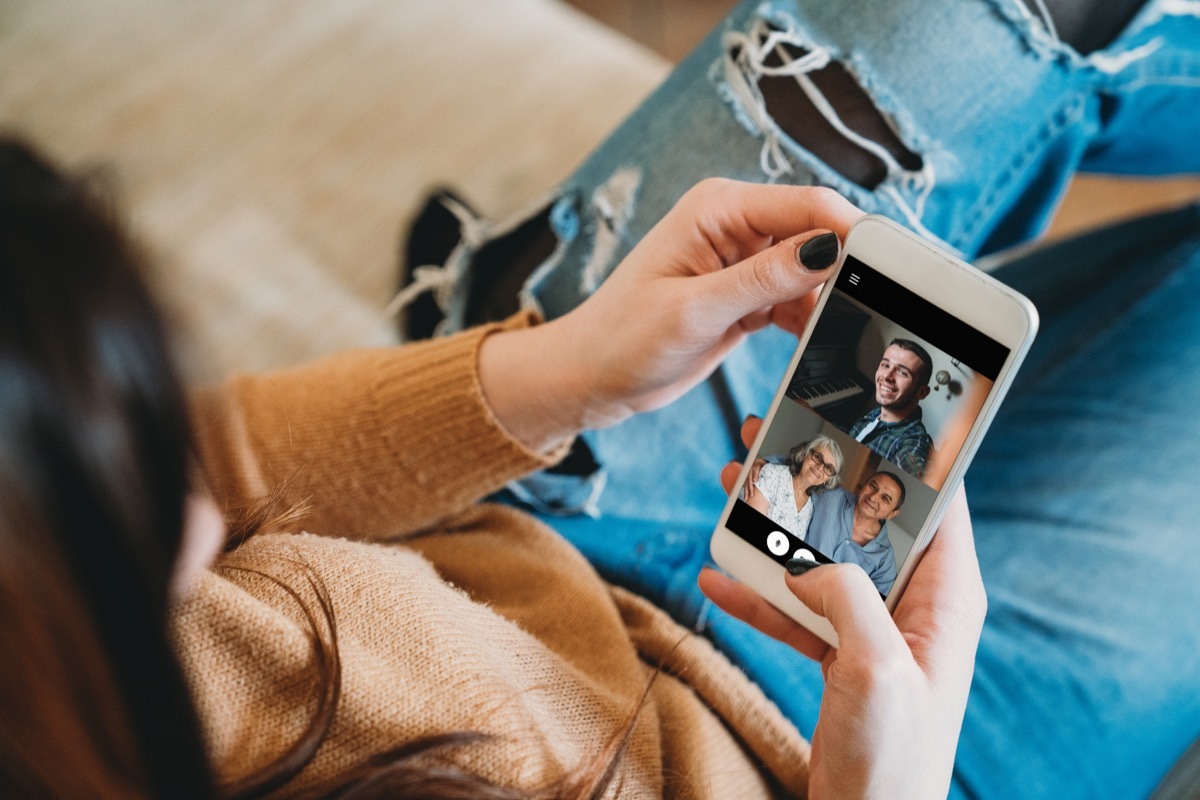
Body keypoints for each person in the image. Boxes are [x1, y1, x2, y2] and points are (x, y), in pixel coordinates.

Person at [0, 138, 985, 798]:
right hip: (832, 746)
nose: (202, 519)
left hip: (559, 550)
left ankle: (489, 300)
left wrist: (565, 368)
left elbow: (225, 450)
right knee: (1131, 297)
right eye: (125, 503)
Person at [394, 1, 1200, 797]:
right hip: (899, 749)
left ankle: (497, 308)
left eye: (900, 379)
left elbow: (258, 454)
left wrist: (534, 377)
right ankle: (496, 295)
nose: (888, 380)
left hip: (525, 529)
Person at [803, 471, 903, 595]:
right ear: (865, 484)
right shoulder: (831, 495)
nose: (873, 497)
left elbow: (876, 606)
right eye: (873, 486)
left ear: (892, 513)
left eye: (885, 498)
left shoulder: (885, 559)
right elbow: (795, 473)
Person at [847, 339, 934, 478]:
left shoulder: (912, 442)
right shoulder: (876, 415)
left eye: (902, 373)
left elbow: (916, 472)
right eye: (885, 365)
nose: (887, 376)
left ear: (922, 392)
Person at [742, 435, 843, 538]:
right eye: (817, 457)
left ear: (828, 480)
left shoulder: (810, 510)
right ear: (804, 454)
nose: (820, 468)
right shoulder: (771, 474)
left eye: (828, 468)